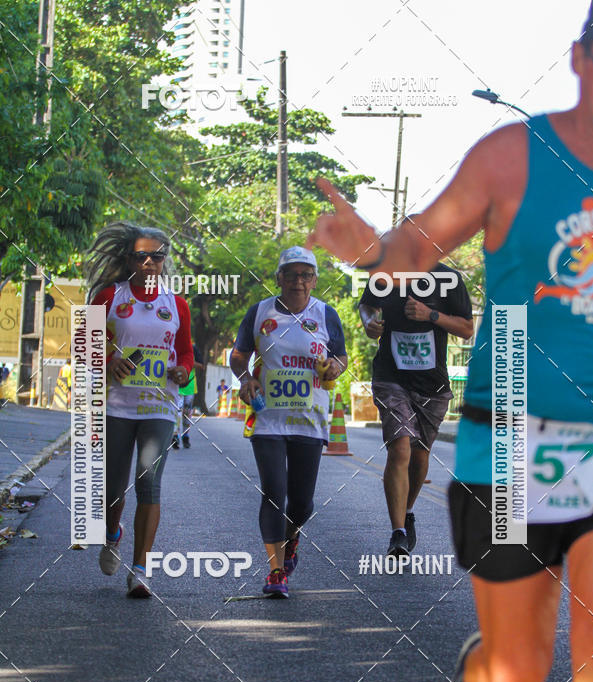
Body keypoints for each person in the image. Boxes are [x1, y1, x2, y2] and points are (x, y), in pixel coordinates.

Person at [308, 2, 593, 682]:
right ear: (581, 58)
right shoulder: (512, 156)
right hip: (512, 443)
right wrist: (369, 251)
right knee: (519, 673)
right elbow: (423, 240)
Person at [230, 246, 347, 597]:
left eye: (306, 274)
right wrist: (246, 378)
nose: (299, 281)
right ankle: (276, 571)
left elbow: (339, 357)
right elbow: (239, 355)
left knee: (302, 503)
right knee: (273, 493)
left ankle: (291, 538)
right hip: (268, 419)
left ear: (314, 280)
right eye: (292, 274)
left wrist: (336, 366)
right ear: (278, 278)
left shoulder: (325, 314)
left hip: (309, 420)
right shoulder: (260, 312)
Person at [86, 222, 193, 598]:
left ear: (164, 261)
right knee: (115, 488)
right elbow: (85, 345)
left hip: (160, 406)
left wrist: (183, 370)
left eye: (157, 256)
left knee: (149, 480)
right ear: (128, 259)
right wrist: (109, 360)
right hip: (118, 405)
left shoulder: (176, 304)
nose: (149, 263)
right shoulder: (108, 297)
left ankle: (141, 569)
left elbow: (185, 352)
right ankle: (112, 534)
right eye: (141, 256)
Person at [359, 263, 472, 557]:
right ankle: (397, 533)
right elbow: (367, 306)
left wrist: (430, 315)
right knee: (400, 449)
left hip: (431, 383)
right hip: (390, 376)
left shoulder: (448, 279)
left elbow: (466, 329)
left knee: (420, 454)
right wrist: (369, 323)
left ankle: (407, 512)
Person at [171, 343, 204, 449]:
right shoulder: (172, 346)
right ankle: (175, 436)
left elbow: (201, 365)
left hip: (189, 387)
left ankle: (185, 436)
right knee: (177, 411)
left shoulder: (193, 348)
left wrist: (189, 363)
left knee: (187, 413)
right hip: (176, 386)